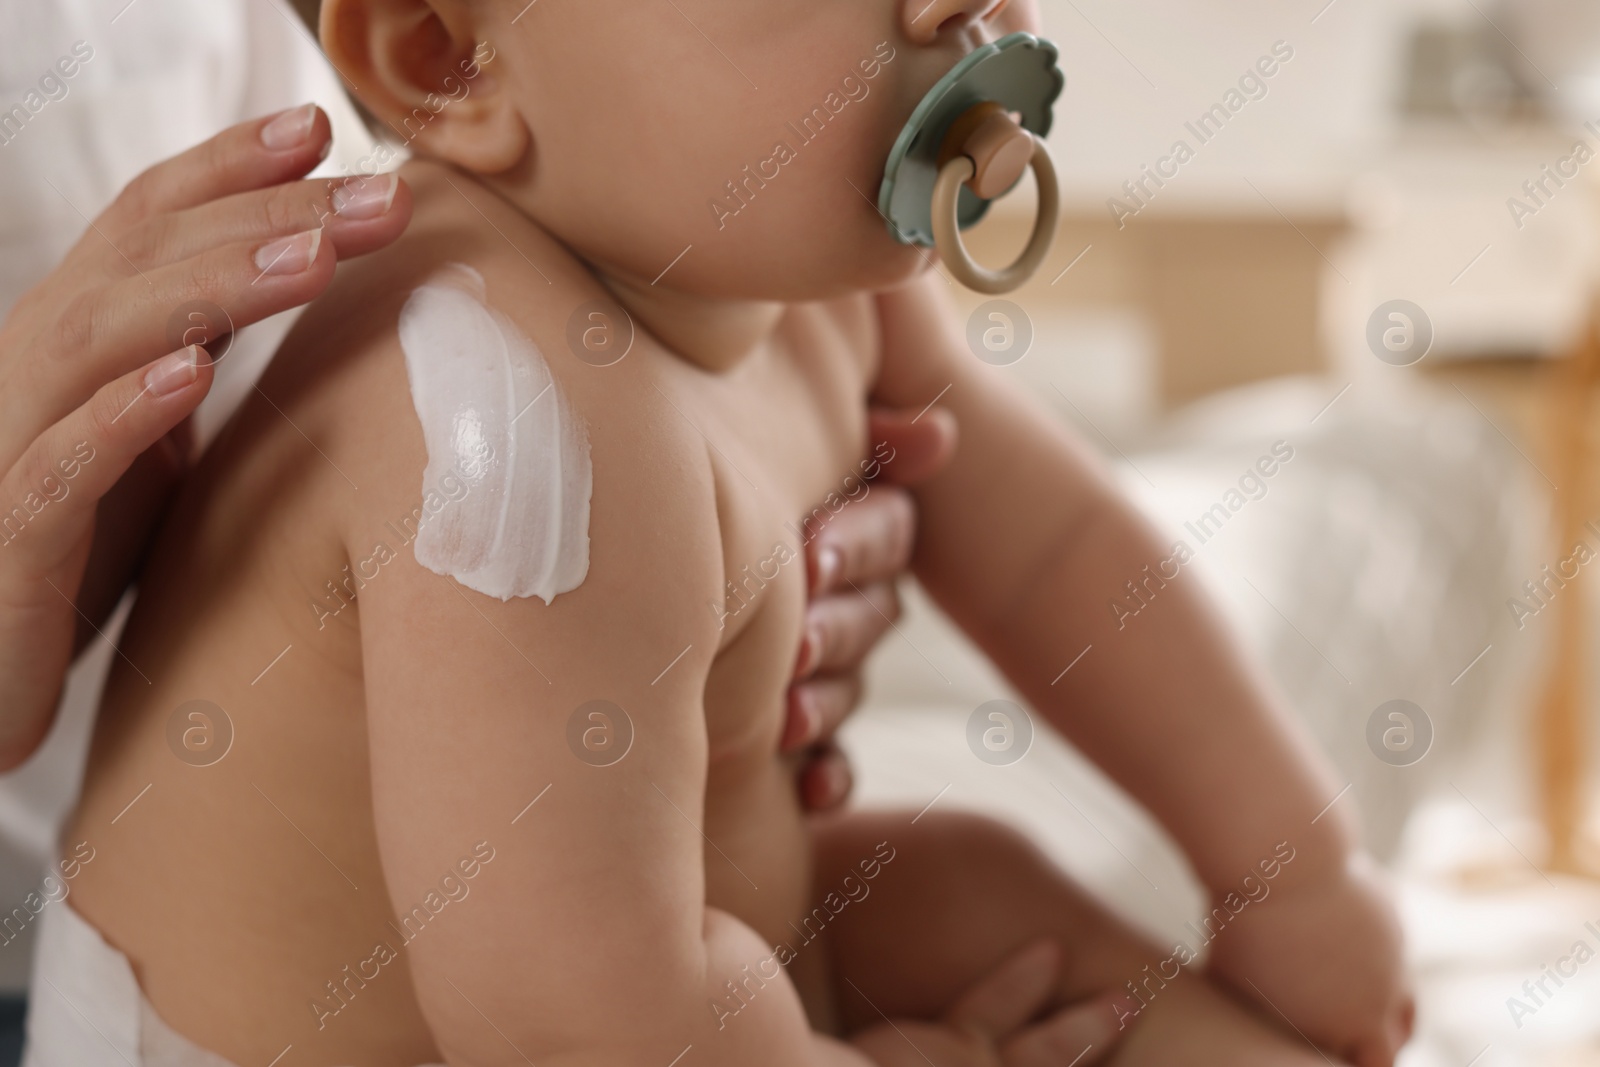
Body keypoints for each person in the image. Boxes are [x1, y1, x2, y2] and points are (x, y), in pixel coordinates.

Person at [42, 2, 1414, 1067]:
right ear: (450, 60)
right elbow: (570, 1023)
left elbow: (1063, 560)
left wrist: (1293, 872)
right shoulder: (508, 397)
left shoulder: (799, 276)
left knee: (976, 892)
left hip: (671, 991)